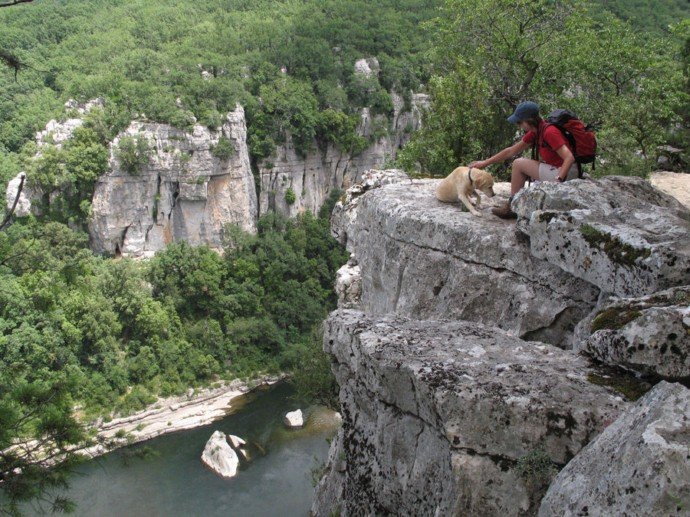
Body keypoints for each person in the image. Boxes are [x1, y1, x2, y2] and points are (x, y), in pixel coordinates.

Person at [469, 101, 578, 219]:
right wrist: (484, 163)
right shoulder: (537, 131)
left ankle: (511, 207)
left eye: (520, 122)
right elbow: (511, 151)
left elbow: (569, 157)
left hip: (566, 173)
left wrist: (558, 182)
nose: (518, 125)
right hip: (559, 170)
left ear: (530, 120)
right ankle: (514, 204)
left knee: (518, 163)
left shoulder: (549, 132)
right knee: (519, 162)